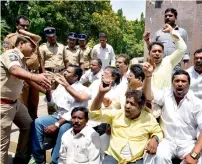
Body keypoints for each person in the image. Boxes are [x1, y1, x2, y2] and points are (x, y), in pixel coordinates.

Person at [0, 35, 51, 164]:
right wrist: (35, 76)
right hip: (4, 104)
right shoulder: (11, 54)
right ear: (21, 44)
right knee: (3, 144)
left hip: (15, 103)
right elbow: (15, 70)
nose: (34, 50)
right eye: (32, 46)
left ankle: (20, 158)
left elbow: (27, 79)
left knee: (28, 124)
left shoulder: (22, 60)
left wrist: (46, 91)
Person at [29, 65, 92, 164]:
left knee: (63, 129)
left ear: (75, 77)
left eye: (68, 72)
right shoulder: (61, 86)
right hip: (57, 115)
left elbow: (74, 110)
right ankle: (38, 159)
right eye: (65, 71)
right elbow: (52, 103)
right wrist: (48, 91)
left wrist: (57, 124)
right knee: (37, 123)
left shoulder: (83, 89)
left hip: (72, 120)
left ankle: (55, 161)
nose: (65, 73)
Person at [89, 82, 163, 164]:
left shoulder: (149, 118)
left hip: (136, 159)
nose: (127, 106)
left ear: (141, 107)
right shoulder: (117, 114)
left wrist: (154, 139)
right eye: (127, 102)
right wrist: (101, 93)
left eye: (132, 104)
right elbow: (93, 115)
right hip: (114, 156)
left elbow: (158, 132)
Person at [144, 65, 202, 164]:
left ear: (189, 84)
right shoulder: (166, 95)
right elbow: (148, 96)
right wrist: (148, 77)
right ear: (172, 83)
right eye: (177, 81)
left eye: (183, 81)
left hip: (188, 143)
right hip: (167, 141)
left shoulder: (197, 103)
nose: (180, 84)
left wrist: (194, 154)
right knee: (157, 157)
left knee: (198, 160)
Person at [4, 15, 42, 120]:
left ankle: (34, 130)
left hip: (35, 75)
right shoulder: (10, 38)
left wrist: (41, 71)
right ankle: (26, 129)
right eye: (22, 26)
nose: (25, 28)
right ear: (17, 25)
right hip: (22, 77)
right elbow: (8, 59)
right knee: (24, 107)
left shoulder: (32, 38)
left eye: (27, 26)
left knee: (34, 106)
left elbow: (39, 57)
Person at [145, 23, 186, 90]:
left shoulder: (168, 61)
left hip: (164, 99)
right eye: (154, 51)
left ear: (163, 53)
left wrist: (171, 31)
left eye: (160, 51)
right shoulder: (145, 67)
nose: (157, 53)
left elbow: (182, 49)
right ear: (149, 53)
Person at [39, 26, 66, 114]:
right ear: (46, 37)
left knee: (62, 94)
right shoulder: (42, 47)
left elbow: (66, 61)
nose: (52, 38)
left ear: (56, 36)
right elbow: (41, 63)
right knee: (50, 95)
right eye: (49, 37)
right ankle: (51, 115)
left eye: (53, 36)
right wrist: (44, 76)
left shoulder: (62, 47)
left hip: (61, 73)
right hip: (49, 74)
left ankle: (61, 114)